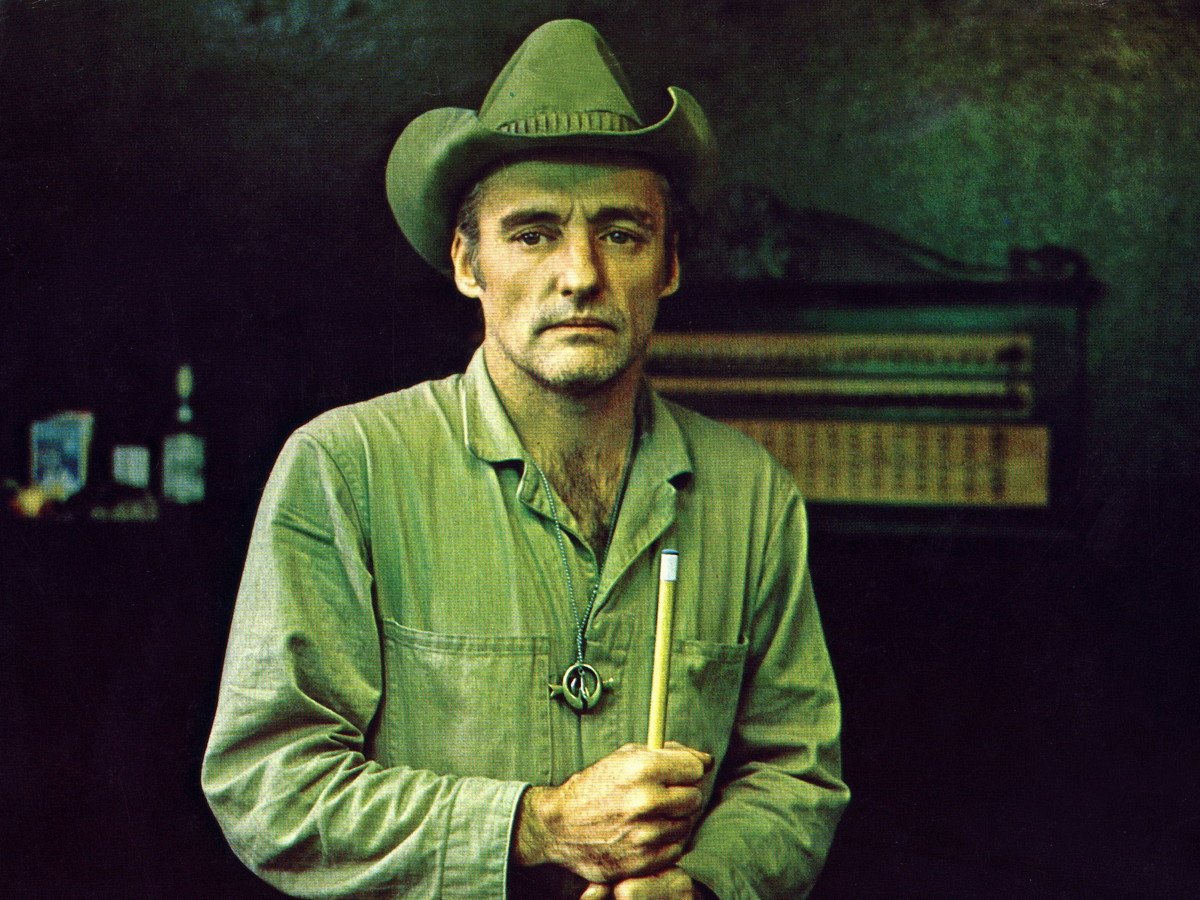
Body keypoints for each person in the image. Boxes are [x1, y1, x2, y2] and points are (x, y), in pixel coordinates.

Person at [202, 20, 848, 900]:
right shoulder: (345, 469)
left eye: (622, 234)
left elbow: (795, 775)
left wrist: (700, 885)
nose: (580, 274)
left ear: (669, 266)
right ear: (467, 263)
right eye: (534, 234)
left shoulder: (750, 493)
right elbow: (268, 783)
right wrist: (536, 825)